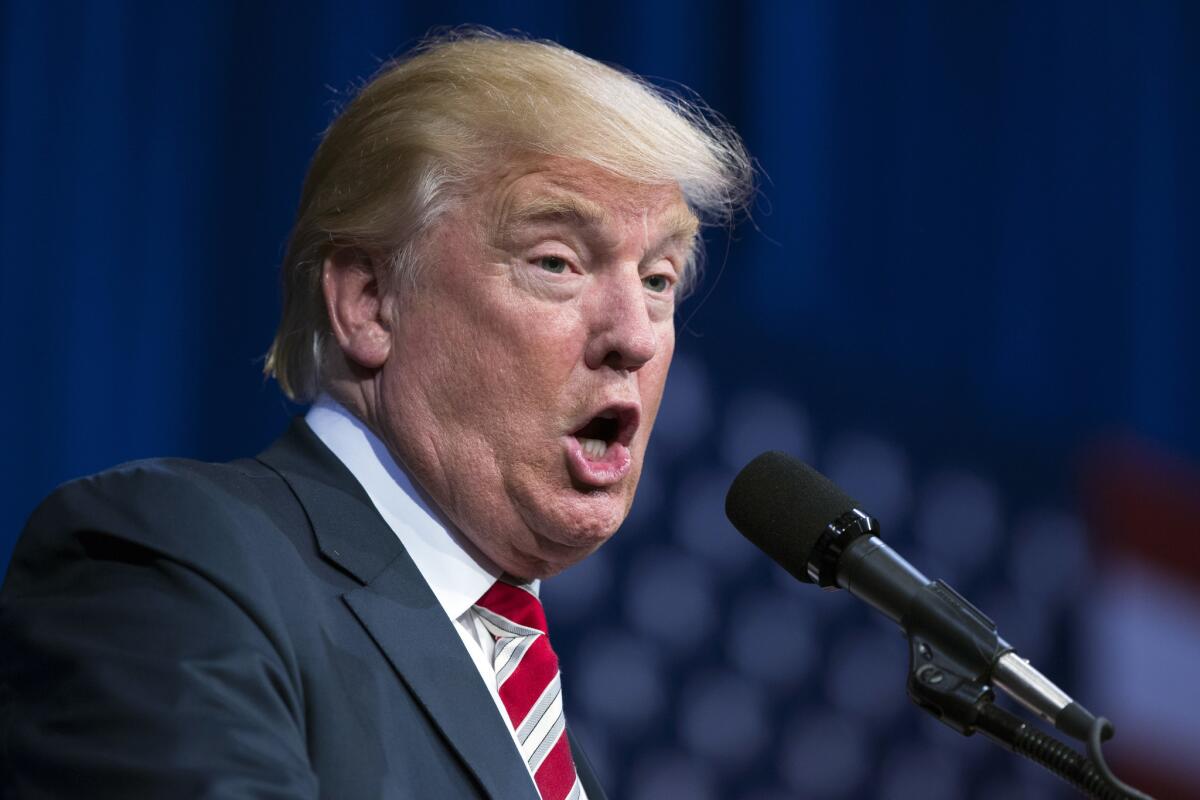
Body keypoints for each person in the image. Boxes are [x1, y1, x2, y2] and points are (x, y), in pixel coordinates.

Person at [0, 30, 752, 799]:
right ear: (369, 303)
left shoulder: (534, 716)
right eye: (556, 262)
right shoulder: (168, 561)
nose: (633, 334)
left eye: (658, 279)